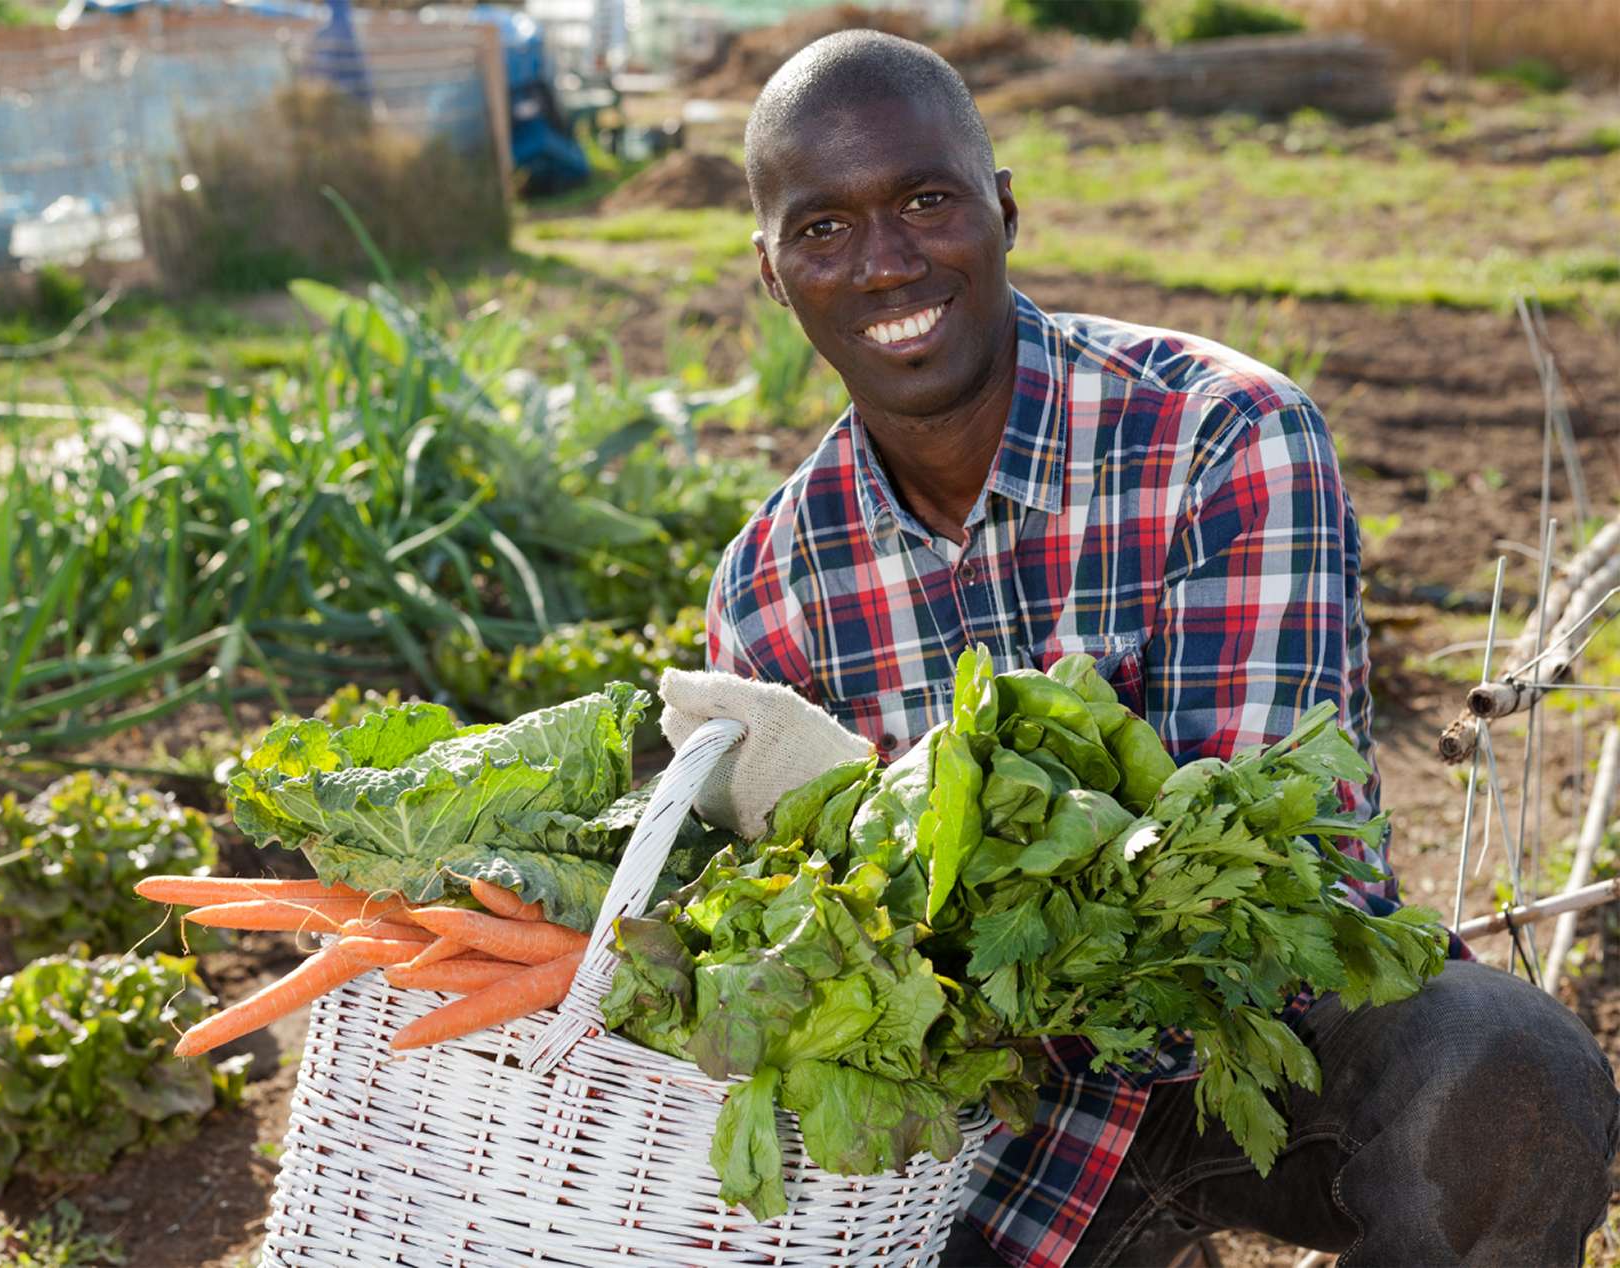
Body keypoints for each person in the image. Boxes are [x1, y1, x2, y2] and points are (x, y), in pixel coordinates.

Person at [656, 30, 1618, 1268]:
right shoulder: (769, 589)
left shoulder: (1224, 436)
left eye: (926, 200)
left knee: (1501, 1069)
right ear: (774, 272)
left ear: (1004, 210)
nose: (886, 262)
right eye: (823, 228)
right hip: (1000, 1119)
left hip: (1277, 1035)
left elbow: (1265, 869)